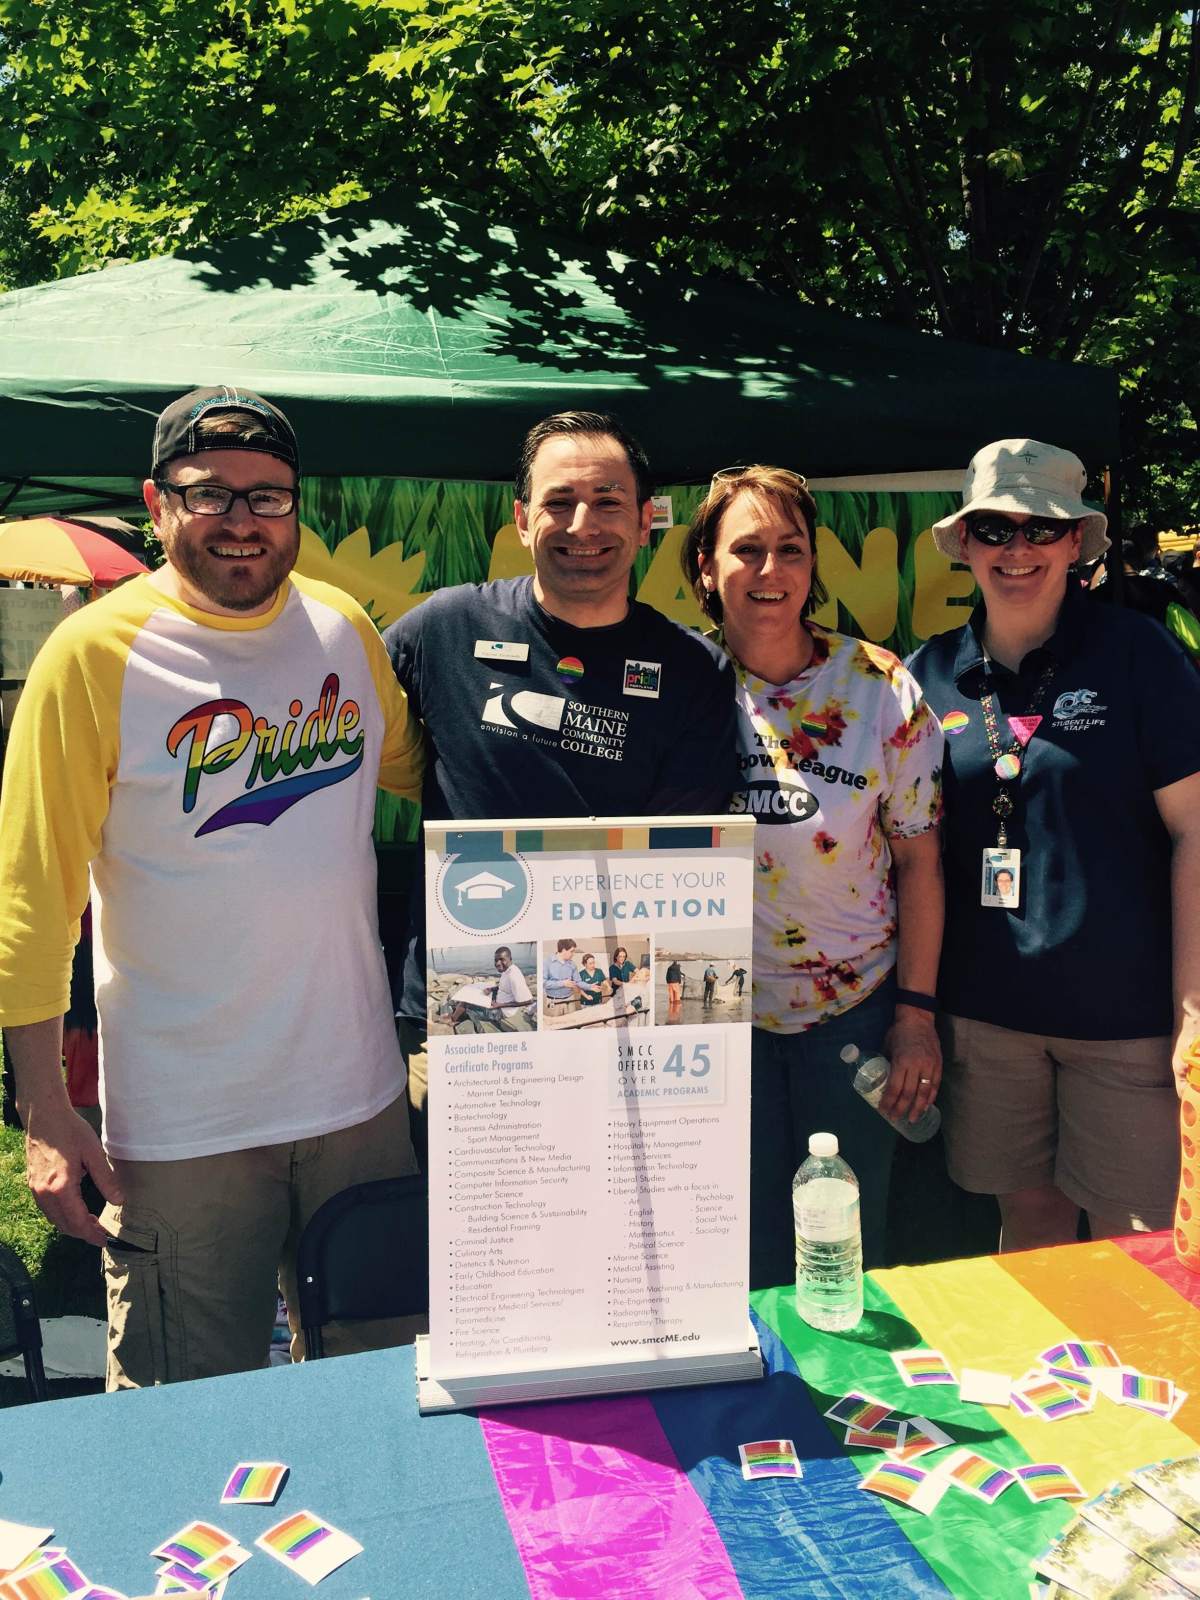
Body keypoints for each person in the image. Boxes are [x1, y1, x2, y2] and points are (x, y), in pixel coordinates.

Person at [0, 387, 425, 1389]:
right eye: (209, 493)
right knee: (186, 1416)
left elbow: (429, 771)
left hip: (356, 1107)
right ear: (157, 503)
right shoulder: (91, 654)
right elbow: (33, 895)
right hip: (185, 1129)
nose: (241, 520)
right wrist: (45, 1109)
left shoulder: (343, 630)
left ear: (295, 506)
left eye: (267, 495)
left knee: (385, 1393)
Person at [385, 410, 738, 1161]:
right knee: (462, 1223)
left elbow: (680, 860)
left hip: (619, 1023)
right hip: (466, 1020)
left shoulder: (692, 670)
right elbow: (337, 726)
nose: (584, 525)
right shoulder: (444, 628)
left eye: (608, 501)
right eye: (559, 501)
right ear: (522, 519)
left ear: (645, 520)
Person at [909, 438, 1200, 1250]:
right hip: (987, 1020)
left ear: (1076, 542)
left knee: (1132, 1250)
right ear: (965, 543)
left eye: (1042, 528)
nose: (1018, 549)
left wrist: (1193, 1011)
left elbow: (1195, 830)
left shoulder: (1139, 655)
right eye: (995, 528)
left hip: (1126, 1024)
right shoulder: (925, 676)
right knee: (1028, 1233)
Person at [683, 464, 944, 1285]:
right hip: (711, 1019)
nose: (770, 570)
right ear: (706, 567)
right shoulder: (675, 682)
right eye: (746, 549)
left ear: (812, 565)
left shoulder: (879, 686)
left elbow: (920, 863)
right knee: (736, 1252)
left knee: (845, 1249)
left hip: (851, 1014)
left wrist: (915, 1016)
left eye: (790, 549)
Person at [543, 938, 585, 1003]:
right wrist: (563, 983)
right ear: (563, 950)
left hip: (571, 999)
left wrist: (590, 987)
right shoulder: (547, 962)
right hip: (553, 1001)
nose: (573, 954)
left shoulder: (572, 964)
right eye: (571, 951)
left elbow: (578, 981)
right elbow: (543, 983)